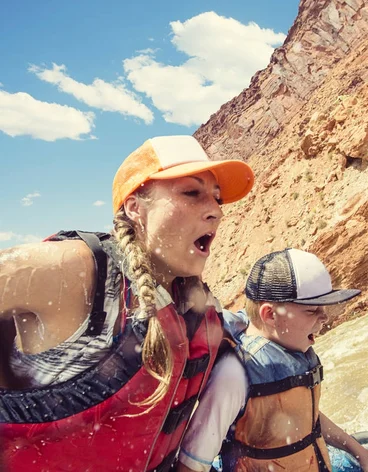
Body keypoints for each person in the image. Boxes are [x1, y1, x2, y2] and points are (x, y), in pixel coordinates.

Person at [0, 135, 254, 472]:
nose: (216, 212)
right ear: (136, 208)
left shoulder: (195, 306)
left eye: (217, 198)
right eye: (192, 193)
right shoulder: (71, 272)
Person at [177, 248, 368, 472]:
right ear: (270, 315)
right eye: (311, 310)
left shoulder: (288, 351)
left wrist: (361, 452)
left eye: (323, 307)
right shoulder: (233, 376)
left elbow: (306, 417)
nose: (325, 317)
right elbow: (191, 464)